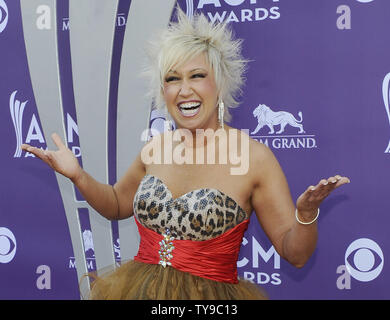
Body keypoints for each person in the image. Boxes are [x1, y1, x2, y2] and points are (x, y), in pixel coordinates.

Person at [21, 9, 350, 300]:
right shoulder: (155, 147)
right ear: (162, 91)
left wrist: (306, 215)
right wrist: (78, 176)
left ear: (219, 84)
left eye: (197, 76)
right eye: (172, 79)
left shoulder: (254, 158)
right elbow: (118, 204)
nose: (185, 89)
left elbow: (296, 255)